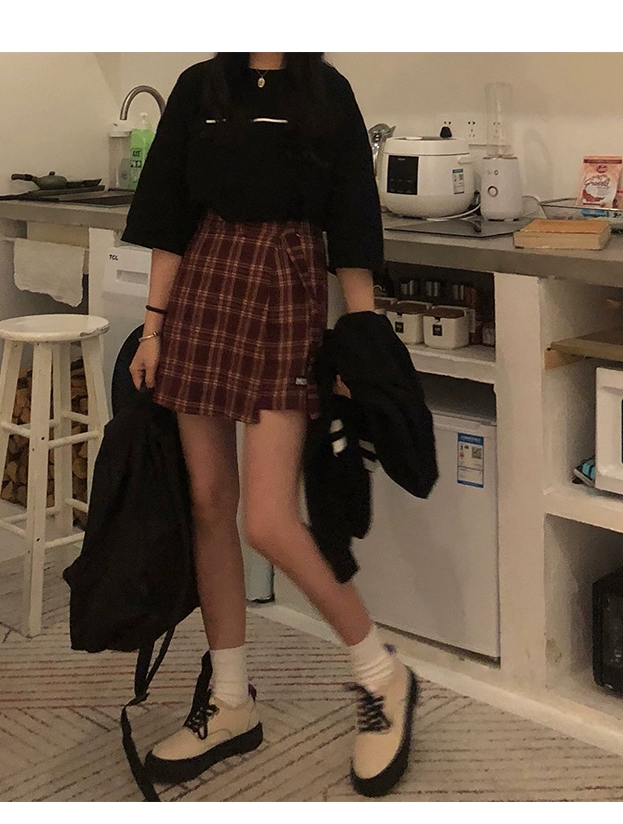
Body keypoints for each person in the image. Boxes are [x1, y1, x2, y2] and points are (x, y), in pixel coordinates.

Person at [121, 52, 418, 799]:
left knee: (269, 521)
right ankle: (231, 700)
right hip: (203, 284)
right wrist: (153, 327)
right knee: (208, 502)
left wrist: (362, 340)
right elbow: (168, 214)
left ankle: (381, 674)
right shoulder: (200, 86)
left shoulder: (326, 91)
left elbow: (353, 220)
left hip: (286, 285)